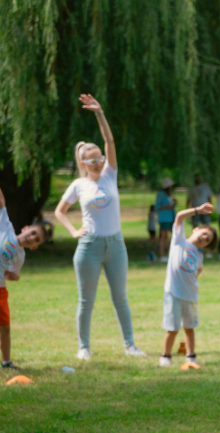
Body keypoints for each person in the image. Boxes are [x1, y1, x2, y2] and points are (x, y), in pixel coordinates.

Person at [54, 93, 148, 360]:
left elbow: (109, 140)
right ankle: (84, 347)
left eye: (100, 159)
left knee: (121, 298)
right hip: (89, 248)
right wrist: (73, 231)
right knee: (87, 301)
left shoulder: (110, 174)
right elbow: (60, 212)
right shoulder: (79, 185)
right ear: (83, 163)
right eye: (92, 160)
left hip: (116, 246)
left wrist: (99, 113)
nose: (98, 163)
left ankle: (130, 346)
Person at [159, 203, 218, 367]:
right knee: (172, 328)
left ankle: (191, 356)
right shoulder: (179, 240)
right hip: (173, 293)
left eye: (207, 240)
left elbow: (197, 272)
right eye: (204, 234)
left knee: (189, 327)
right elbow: (179, 217)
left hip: (190, 295)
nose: (203, 238)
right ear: (196, 229)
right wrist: (198, 210)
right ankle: (166, 356)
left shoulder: (199, 255)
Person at [0, 185, 51, 370]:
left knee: (4, 327)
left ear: (34, 247)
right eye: (33, 233)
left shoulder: (20, 256)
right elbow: (1, 202)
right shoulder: (5, 227)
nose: (31, 238)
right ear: (26, 228)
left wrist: (13, 275)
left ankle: (6, 362)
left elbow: (15, 273)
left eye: (36, 240)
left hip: (0, 290)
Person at [155, 178, 177, 262]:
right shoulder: (161, 194)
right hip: (164, 218)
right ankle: (162, 255)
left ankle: (170, 253)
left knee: (171, 236)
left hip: (171, 217)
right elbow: (157, 206)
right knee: (163, 236)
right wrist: (167, 207)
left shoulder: (169, 194)